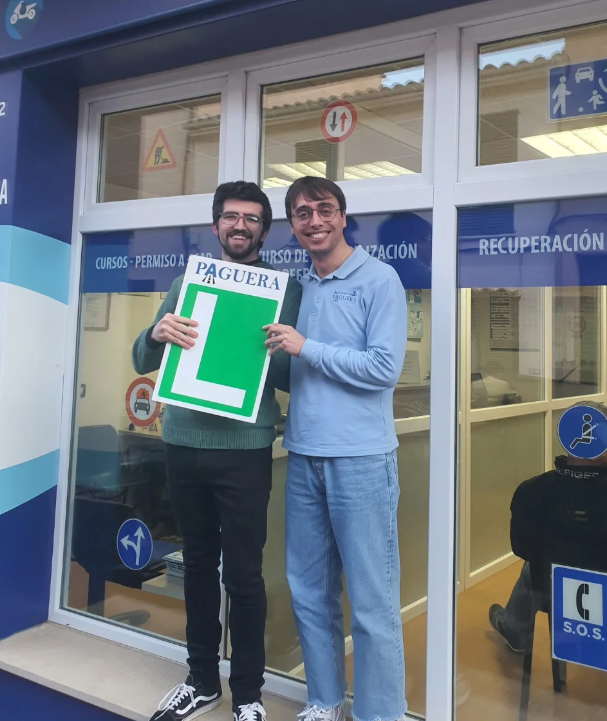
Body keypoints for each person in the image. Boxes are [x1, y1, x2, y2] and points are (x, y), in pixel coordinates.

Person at [132, 181, 302, 721]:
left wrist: (271, 349)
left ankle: (248, 695)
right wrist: (157, 332)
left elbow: (292, 376)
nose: (240, 226)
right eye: (231, 217)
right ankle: (202, 680)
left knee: (245, 575)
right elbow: (142, 357)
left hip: (246, 448)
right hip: (182, 443)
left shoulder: (285, 289)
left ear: (264, 230)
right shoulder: (189, 282)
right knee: (199, 566)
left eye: (251, 219)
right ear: (216, 225)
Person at [264, 177, 408, 721]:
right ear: (294, 225)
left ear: (343, 216)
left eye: (323, 209)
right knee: (308, 590)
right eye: (301, 213)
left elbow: (382, 369)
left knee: (372, 603)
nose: (314, 220)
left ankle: (380, 713)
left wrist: (307, 347)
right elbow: (293, 369)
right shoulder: (301, 288)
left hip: (363, 461)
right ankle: (324, 700)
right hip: (303, 456)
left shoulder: (380, 279)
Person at [488, 401, 607, 678]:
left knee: (534, 568)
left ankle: (514, 629)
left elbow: (522, 548)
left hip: (559, 602)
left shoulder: (531, 491)